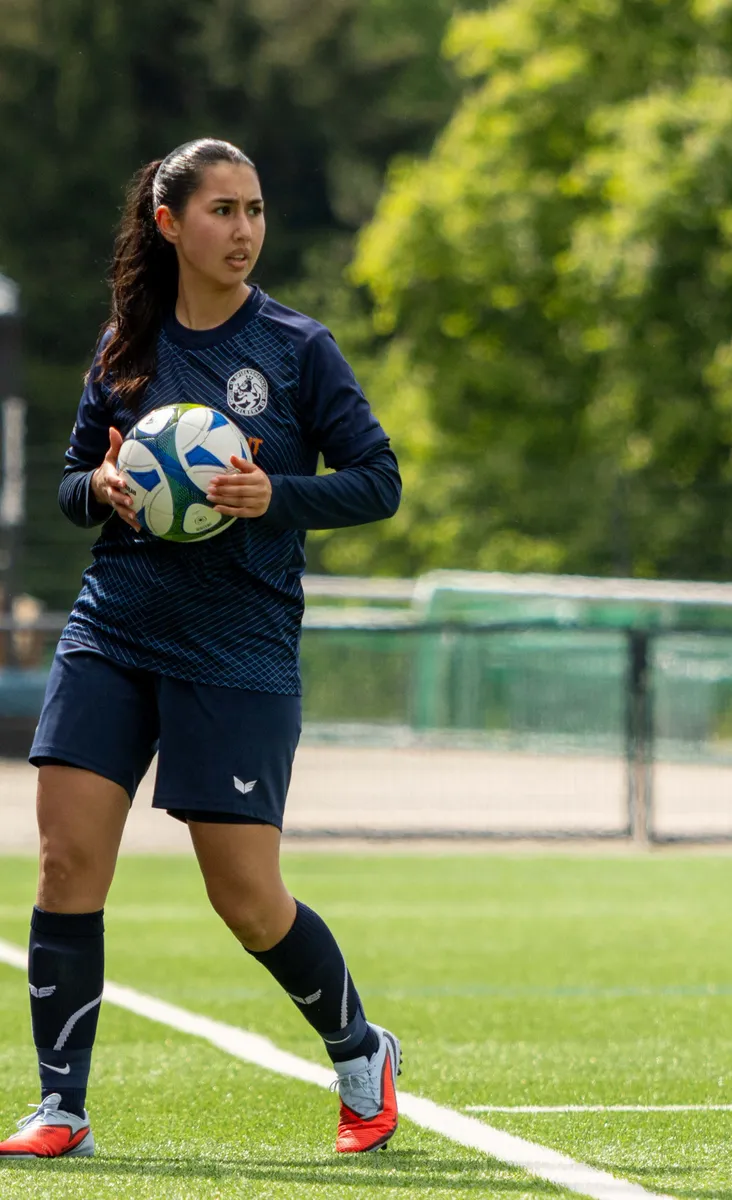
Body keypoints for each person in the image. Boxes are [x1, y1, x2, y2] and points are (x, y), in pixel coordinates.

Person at [0, 138, 402, 1160]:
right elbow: (67, 479)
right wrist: (93, 489)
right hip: (115, 627)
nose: (245, 229)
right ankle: (61, 1107)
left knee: (246, 896)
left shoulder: (298, 349)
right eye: (223, 210)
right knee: (65, 858)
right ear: (170, 224)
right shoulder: (123, 348)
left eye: (256, 209)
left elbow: (379, 480)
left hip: (238, 645)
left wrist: (279, 498)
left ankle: (359, 1050)